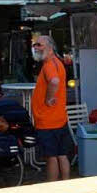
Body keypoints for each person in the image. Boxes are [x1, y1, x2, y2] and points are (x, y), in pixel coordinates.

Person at [31, 35, 71, 182]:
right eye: (35, 45)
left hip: (48, 121)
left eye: (39, 45)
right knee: (62, 155)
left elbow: (54, 81)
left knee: (51, 157)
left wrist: (48, 98)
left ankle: (52, 191)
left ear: (50, 47)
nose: (36, 47)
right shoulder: (57, 63)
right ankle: (66, 188)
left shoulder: (49, 65)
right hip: (59, 118)